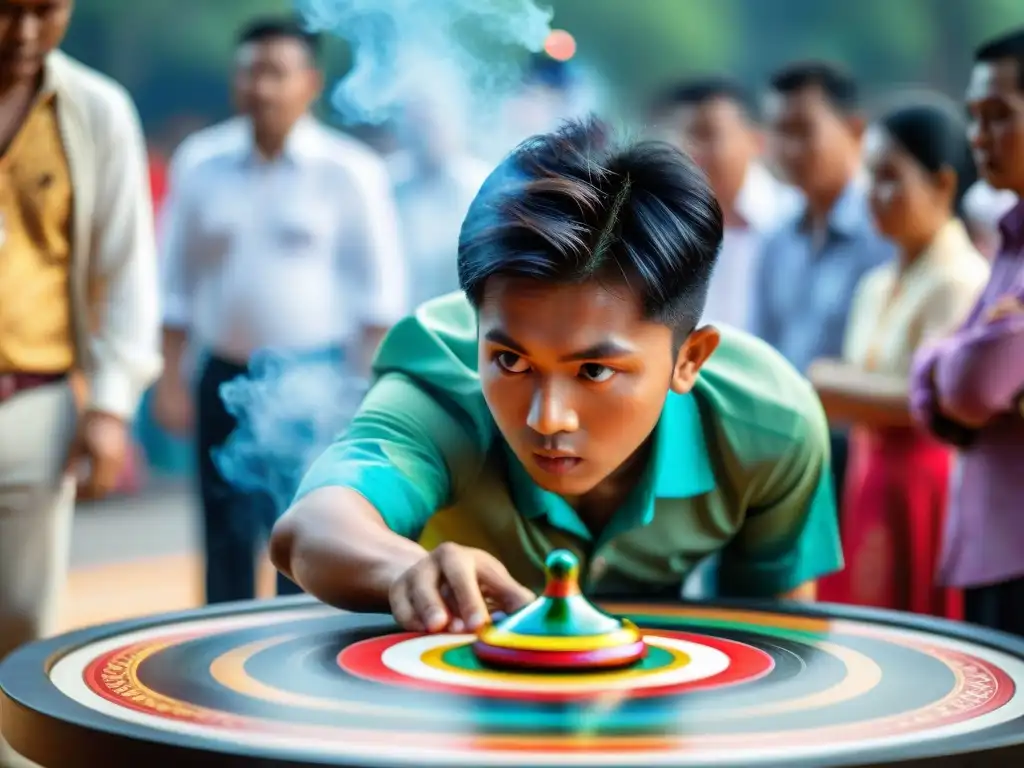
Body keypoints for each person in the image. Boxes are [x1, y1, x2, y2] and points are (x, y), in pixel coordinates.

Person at [268, 117, 843, 634]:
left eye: (594, 370)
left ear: (689, 359)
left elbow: (776, 642)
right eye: (511, 362)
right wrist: (410, 569)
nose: (547, 418)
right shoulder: (441, 376)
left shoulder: (771, 425)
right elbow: (313, 526)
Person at [153, 17, 407, 605]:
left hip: (316, 380)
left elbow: (379, 300)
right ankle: (216, 653)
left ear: (310, 82)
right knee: (222, 529)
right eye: (249, 72)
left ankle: (287, 662)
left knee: (304, 531)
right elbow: (175, 287)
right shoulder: (200, 161)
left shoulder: (350, 171)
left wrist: (357, 395)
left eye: (275, 73)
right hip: (221, 372)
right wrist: (171, 380)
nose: (260, 87)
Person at [0, 0, 162, 764]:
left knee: (23, 618)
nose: (24, 34)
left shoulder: (97, 108)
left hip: (32, 398)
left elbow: (127, 268)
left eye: (45, 11)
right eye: (4, 12)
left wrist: (110, 407)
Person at [808, 97, 990, 618]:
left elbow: (931, 399)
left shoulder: (962, 278)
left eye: (890, 177)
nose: (874, 195)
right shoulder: (877, 281)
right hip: (871, 476)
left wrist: (825, 383)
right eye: (870, 176)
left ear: (944, 184)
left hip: (926, 484)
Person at [909, 28, 1024, 637]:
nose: (977, 138)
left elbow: (975, 385)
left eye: (999, 116)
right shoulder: (1008, 240)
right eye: (974, 117)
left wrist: (948, 360)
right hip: (991, 543)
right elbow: (957, 381)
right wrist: (949, 358)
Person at [752, 60, 897, 505]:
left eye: (803, 130)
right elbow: (764, 350)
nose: (789, 148)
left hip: (862, 455)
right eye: (779, 131)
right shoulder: (776, 238)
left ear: (854, 130)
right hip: (785, 451)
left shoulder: (886, 233)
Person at [651, 76, 801, 332]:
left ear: (756, 141)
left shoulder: (795, 222)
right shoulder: (665, 230)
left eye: (706, 134)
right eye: (681, 137)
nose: (691, 151)